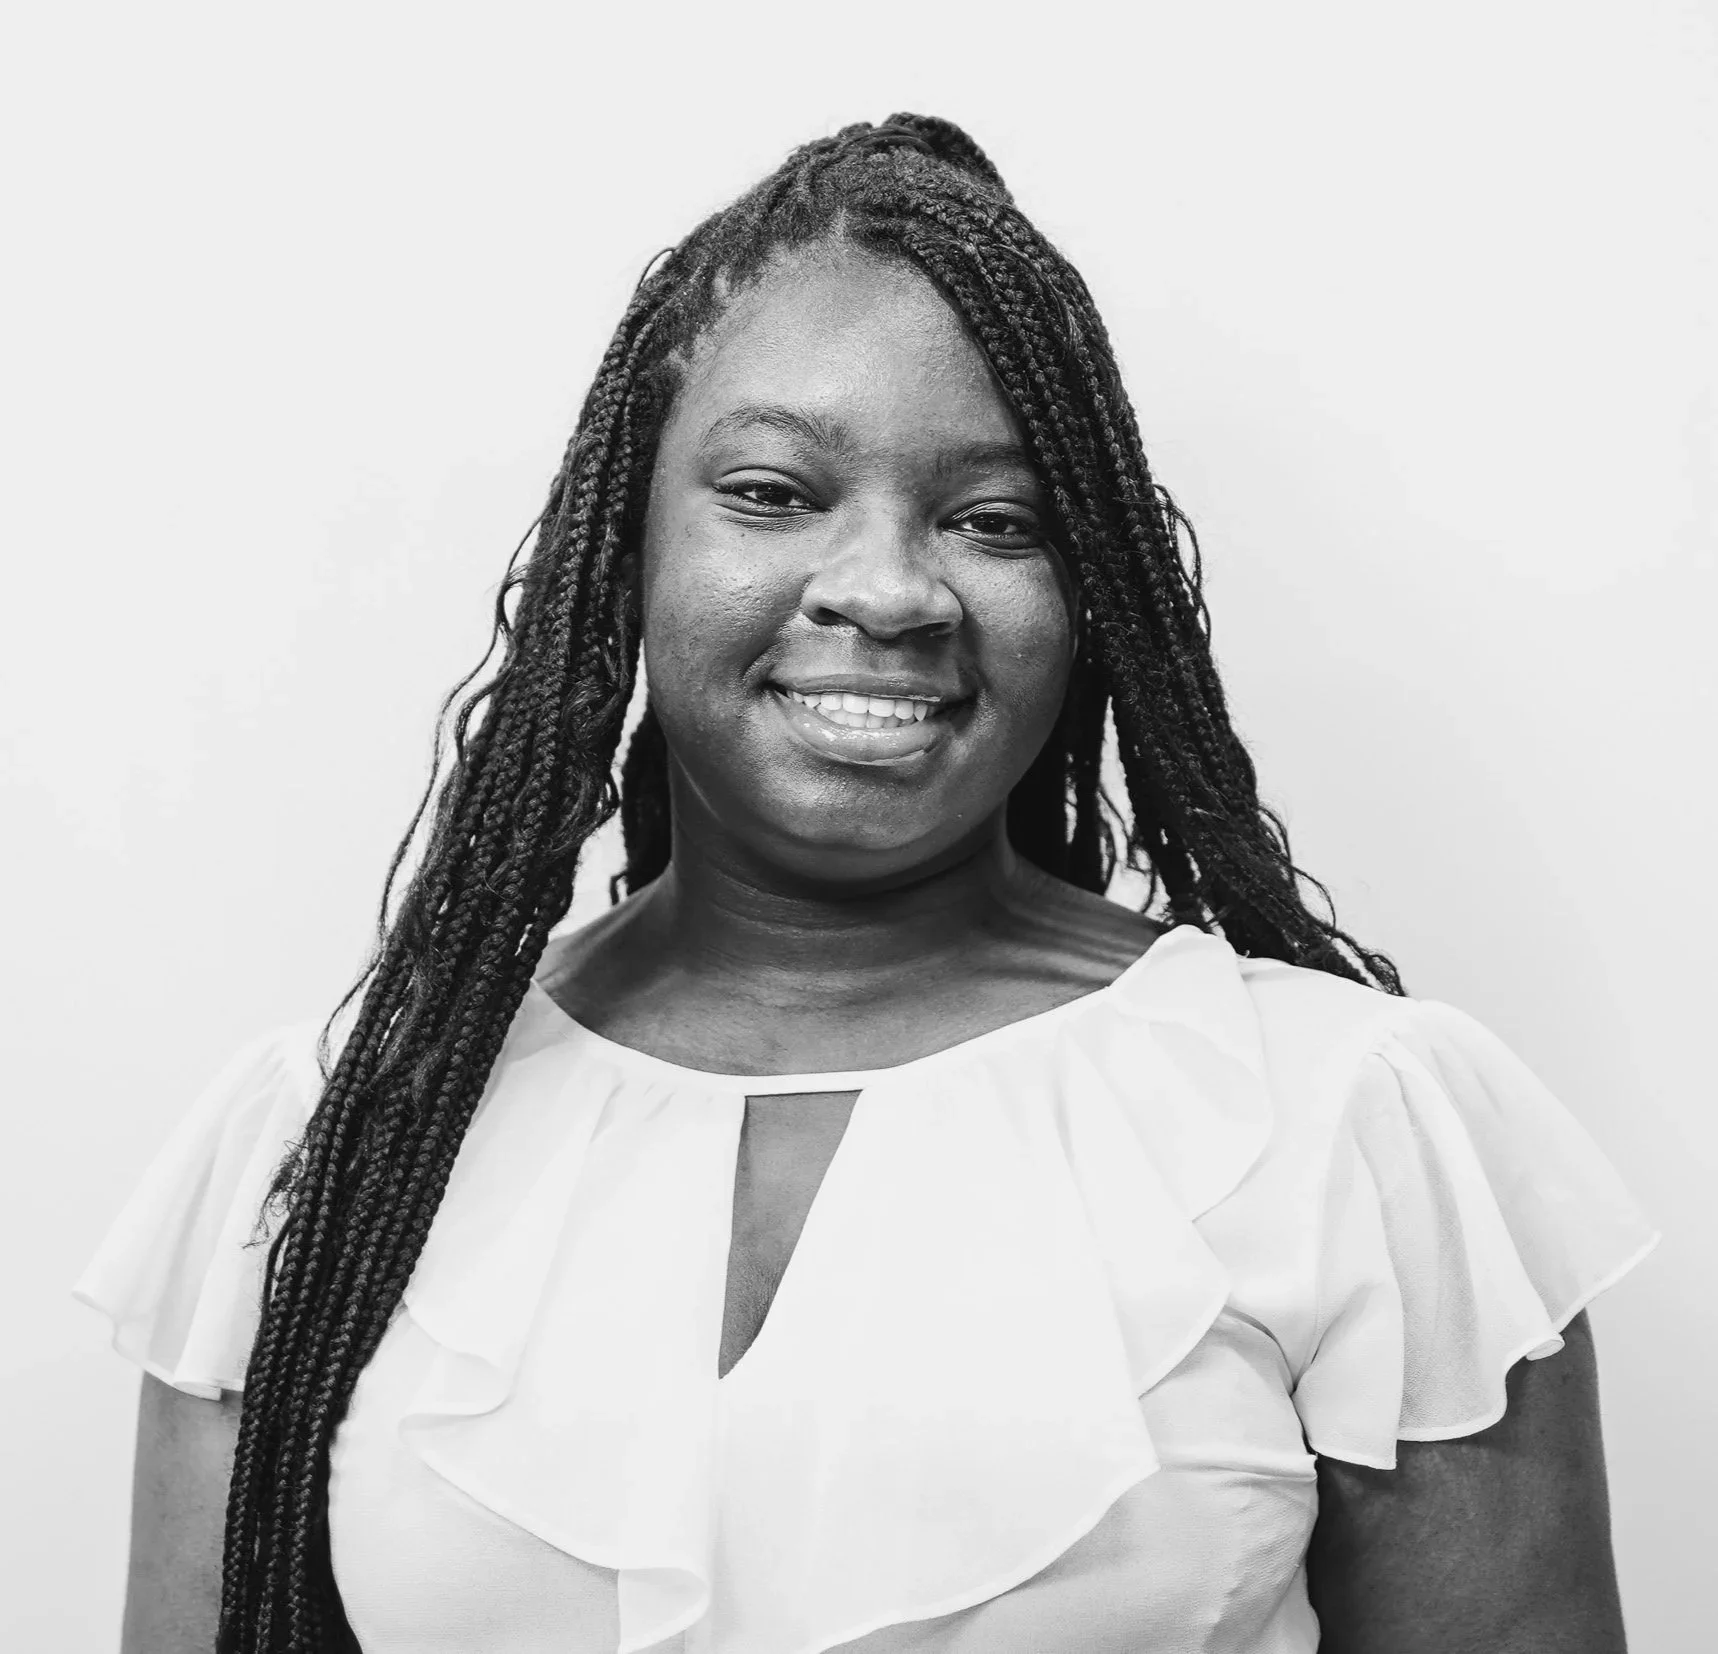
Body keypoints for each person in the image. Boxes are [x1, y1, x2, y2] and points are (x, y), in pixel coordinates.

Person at [78, 115, 1659, 1654]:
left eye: (994, 519)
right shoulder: (332, 1141)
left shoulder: (1347, 1121)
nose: (890, 589)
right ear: (623, 548)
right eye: (772, 492)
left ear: (1088, 592)